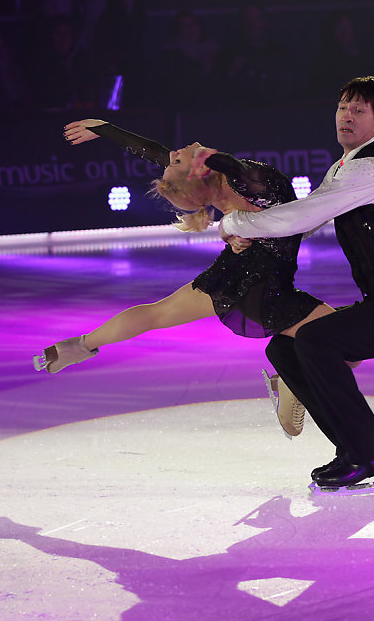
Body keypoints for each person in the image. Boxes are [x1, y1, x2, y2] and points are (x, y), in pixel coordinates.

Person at [34, 119, 341, 436]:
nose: (175, 152)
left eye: (174, 158)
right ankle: (294, 379)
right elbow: (237, 172)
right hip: (263, 291)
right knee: (349, 344)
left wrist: (105, 128)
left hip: (232, 275)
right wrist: (223, 196)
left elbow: (153, 152)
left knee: (158, 312)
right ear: (198, 171)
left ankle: (79, 346)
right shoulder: (242, 179)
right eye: (179, 160)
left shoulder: (217, 181)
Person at [216, 76, 374, 490]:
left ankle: (371, 453)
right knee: (285, 347)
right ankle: (352, 449)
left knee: (316, 340)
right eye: (343, 106)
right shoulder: (345, 168)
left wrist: (236, 222)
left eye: (359, 110)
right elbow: (304, 220)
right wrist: (247, 230)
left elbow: (302, 217)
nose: (347, 115)